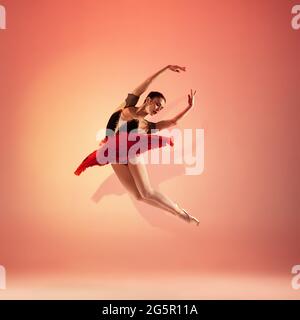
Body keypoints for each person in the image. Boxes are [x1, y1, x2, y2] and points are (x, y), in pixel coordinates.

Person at [74, 65, 199, 226]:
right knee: (139, 196)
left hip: (131, 153)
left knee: (147, 192)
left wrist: (190, 107)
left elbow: (173, 122)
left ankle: (181, 213)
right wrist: (166, 68)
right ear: (148, 100)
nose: (158, 109)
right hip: (113, 154)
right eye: (157, 104)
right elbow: (147, 82)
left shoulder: (147, 125)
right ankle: (177, 213)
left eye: (161, 108)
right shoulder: (128, 105)